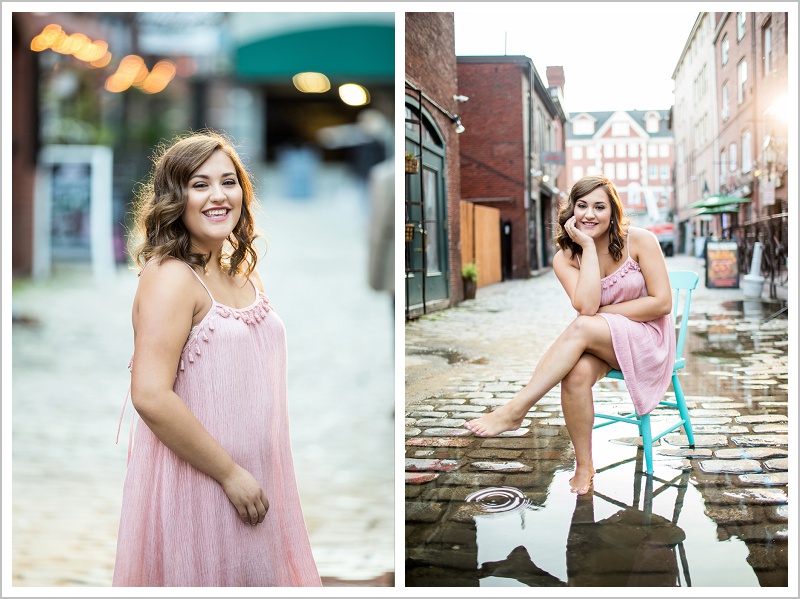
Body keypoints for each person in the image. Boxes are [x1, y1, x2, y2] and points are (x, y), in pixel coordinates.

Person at [113, 130, 322, 587]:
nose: (218, 196)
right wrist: (229, 474)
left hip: (258, 475)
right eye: (199, 184)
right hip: (202, 480)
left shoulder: (242, 272)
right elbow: (149, 394)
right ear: (175, 196)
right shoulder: (170, 277)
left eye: (228, 182)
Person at [465, 175, 675, 496]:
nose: (590, 214)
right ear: (572, 212)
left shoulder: (641, 240)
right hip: (603, 340)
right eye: (582, 206)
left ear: (613, 211)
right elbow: (587, 304)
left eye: (599, 207)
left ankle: (515, 410)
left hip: (647, 338)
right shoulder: (565, 258)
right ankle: (584, 465)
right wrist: (588, 248)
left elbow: (661, 303)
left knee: (582, 326)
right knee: (575, 373)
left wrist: (603, 317)